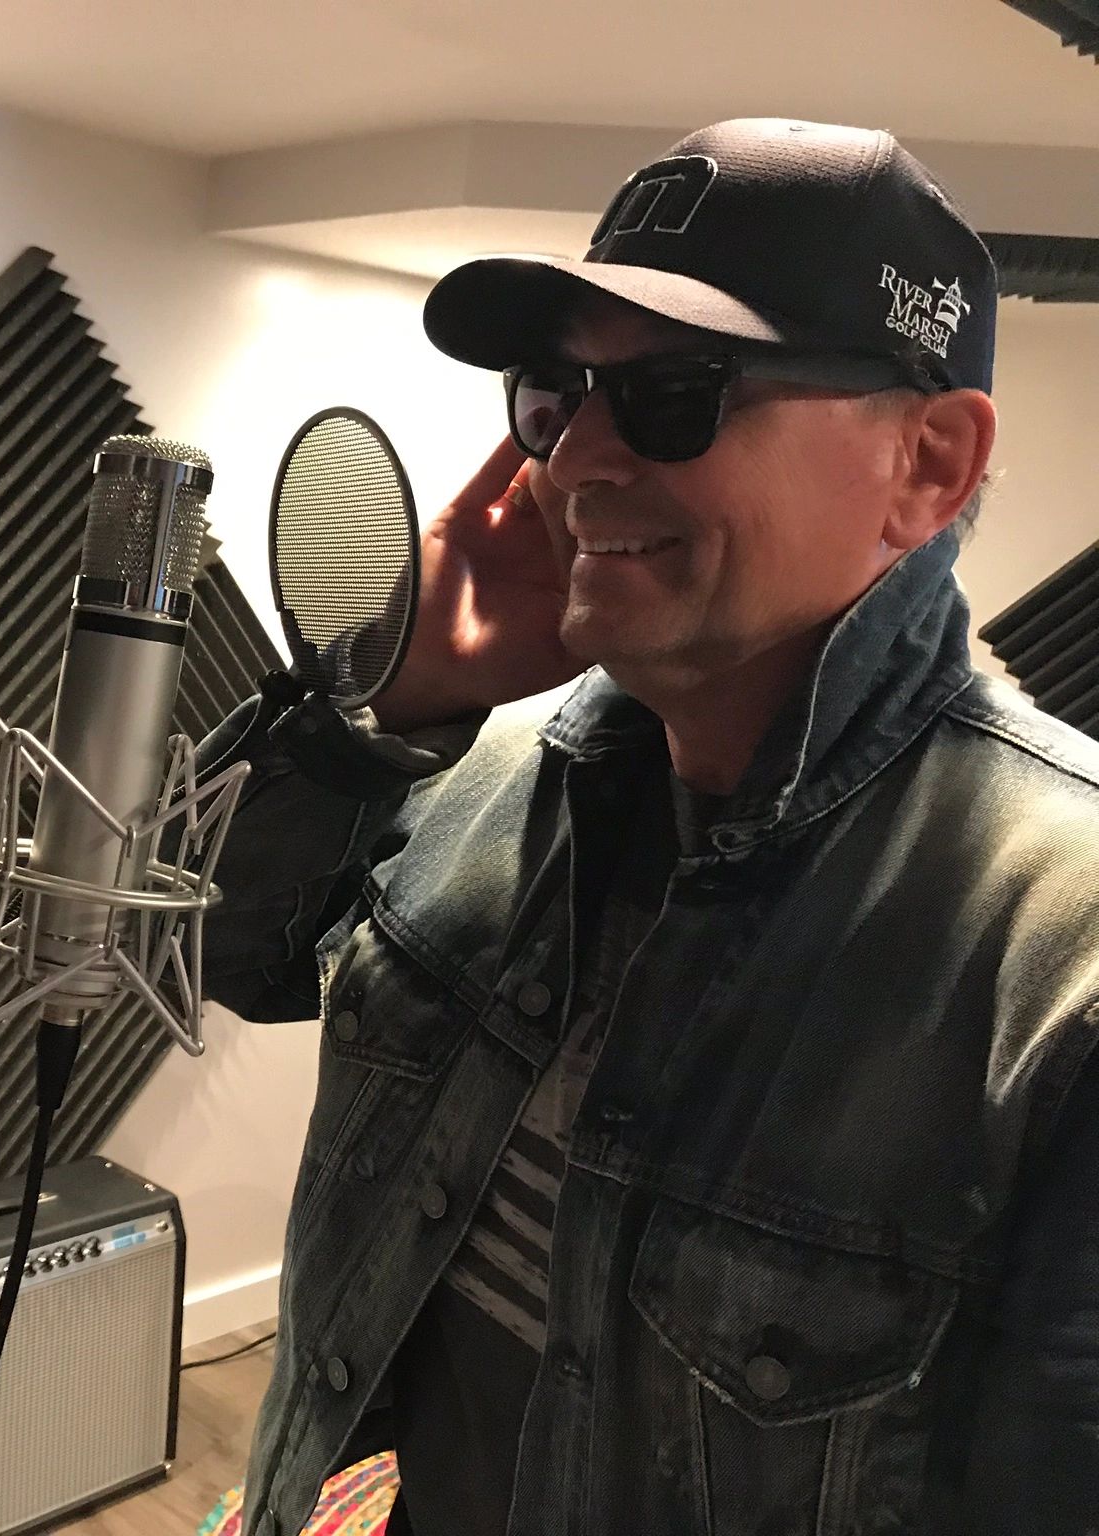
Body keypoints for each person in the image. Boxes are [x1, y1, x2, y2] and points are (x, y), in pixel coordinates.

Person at [202, 118, 1099, 1536]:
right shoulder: (481, 767)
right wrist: (400, 697)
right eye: (554, 395)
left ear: (926, 464)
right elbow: (225, 951)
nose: (574, 461)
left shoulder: (1062, 971)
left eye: (676, 394)